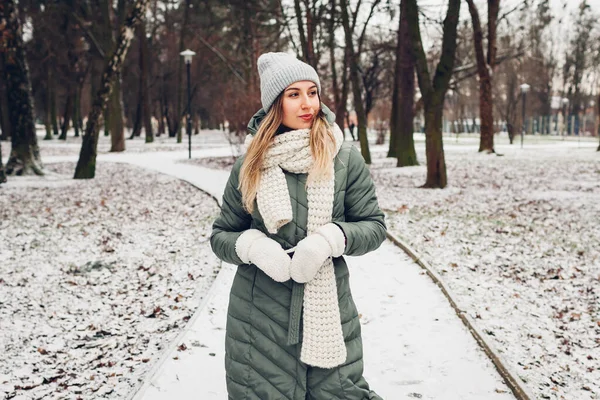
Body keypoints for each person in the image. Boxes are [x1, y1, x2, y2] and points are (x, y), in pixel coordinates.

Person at [210, 52, 386, 400]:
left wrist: (330, 239)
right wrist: (253, 248)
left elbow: (374, 226)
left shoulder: (343, 157)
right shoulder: (250, 164)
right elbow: (221, 235)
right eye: (294, 94)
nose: (307, 104)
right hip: (257, 319)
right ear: (276, 103)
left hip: (329, 312)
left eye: (312, 92)